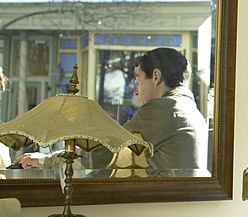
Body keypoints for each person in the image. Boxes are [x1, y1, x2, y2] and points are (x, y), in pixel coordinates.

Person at [18, 47, 207, 175]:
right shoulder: (190, 110)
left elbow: (111, 152)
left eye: (138, 79)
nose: (135, 89)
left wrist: (49, 161)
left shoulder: (165, 108)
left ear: (156, 76)